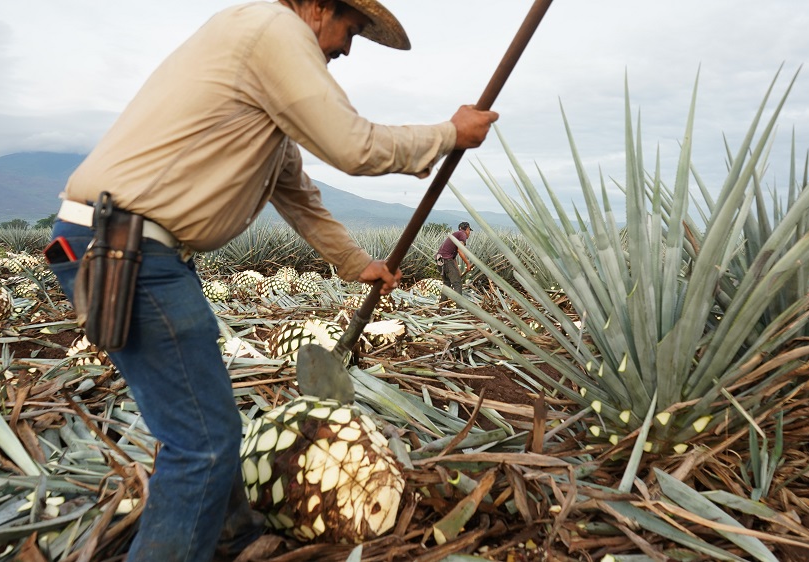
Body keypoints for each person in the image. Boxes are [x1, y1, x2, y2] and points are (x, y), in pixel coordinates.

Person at [45, 1, 498, 560]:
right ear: (313, 6)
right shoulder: (273, 30)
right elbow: (354, 147)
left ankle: (231, 533)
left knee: (204, 419)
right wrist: (449, 134)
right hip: (128, 253)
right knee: (203, 444)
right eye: (349, 29)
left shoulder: (259, 80)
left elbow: (297, 195)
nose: (346, 49)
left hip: (141, 252)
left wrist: (357, 263)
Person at [436, 221, 473, 306]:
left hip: (439, 259)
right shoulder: (462, 234)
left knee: (447, 283)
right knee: (457, 283)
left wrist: (458, 271)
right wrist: (467, 264)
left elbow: (453, 257)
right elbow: (460, 250)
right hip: (446, 260)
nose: (469, 233)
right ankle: (459, 308)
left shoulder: (455, 234)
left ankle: (441, 305)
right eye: (469, 231)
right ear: (467, 229)